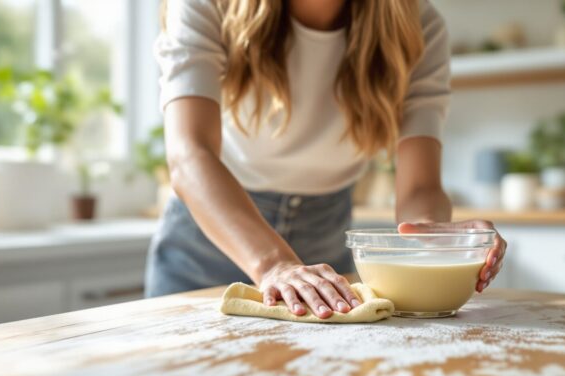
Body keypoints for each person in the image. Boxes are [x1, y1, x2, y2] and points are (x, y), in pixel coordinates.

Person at [146, 0, 507, 319]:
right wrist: (275, 264)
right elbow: (190, 155)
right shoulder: (206, 4)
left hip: (325, 240)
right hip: (208, 236)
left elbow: (420, 187)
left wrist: (431, 233)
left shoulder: (418, 26)